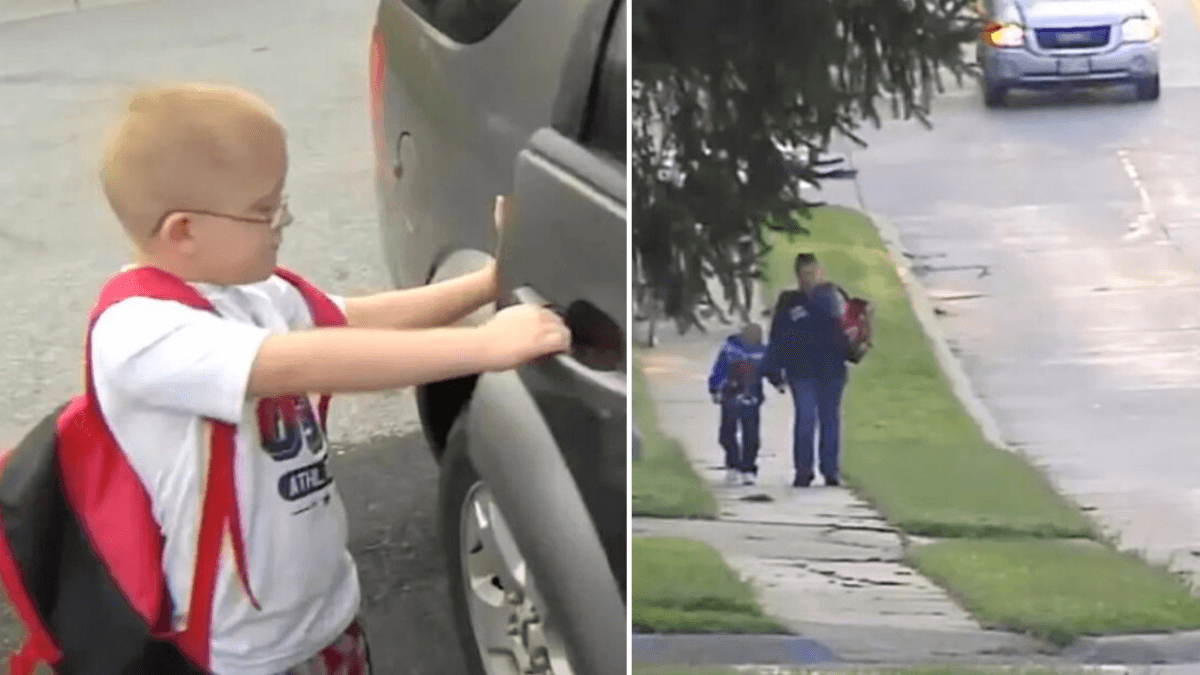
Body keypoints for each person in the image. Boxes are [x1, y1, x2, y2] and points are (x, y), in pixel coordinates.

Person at [92, 83, 570, 675]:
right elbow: (307, 361)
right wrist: (485, 346)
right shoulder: (139, 333)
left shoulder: (248, 292)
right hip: (245, 652)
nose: (282, 222)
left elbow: (356, 319)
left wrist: (488, 281)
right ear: (183, 232)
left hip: (322, 614)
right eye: (264, 210)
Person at [763, 252, 850, 488]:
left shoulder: (832, 298)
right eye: (805, 274)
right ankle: (804, 471)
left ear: (820, 272)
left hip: (831, 368)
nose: (810, 278)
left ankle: (831, 470)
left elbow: (848, 328)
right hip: (800, 370)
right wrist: (772, 369)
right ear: (798, 276)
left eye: (814, 273)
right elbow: (777, 336)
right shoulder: (789, 302)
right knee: (806, 417)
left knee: (830, 419)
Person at [708, 322, 767, 486]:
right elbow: (719, 369)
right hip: (730, 396)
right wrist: (714, 388)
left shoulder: (762, 351)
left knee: (751, 435)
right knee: (727, 433)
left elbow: (769, 369)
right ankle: (733, 464)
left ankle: (748, 468)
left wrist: (778, 381)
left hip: (752, 399)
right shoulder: (730, 349)